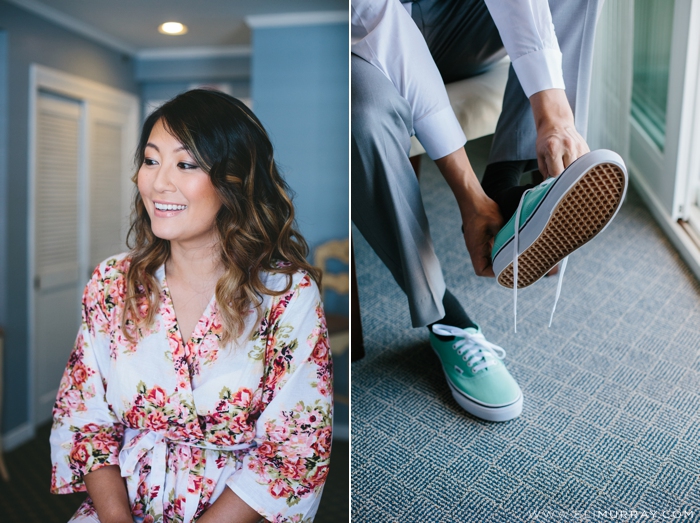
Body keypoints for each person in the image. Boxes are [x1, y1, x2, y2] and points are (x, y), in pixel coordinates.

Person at [50, 90, 333, 523]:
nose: (158, 182)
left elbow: (293, 451)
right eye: (150, 160)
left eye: (186, 164)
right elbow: (84, 417)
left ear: (234, 179)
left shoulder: (285, 295)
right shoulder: (113, 283)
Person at [351, 0, 627, 422]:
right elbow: (378, 20)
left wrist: (554, 116)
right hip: (350, 40)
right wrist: (469, 198)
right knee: (363, 116)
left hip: (444, 22)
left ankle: (515, 188)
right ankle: (444, 315)